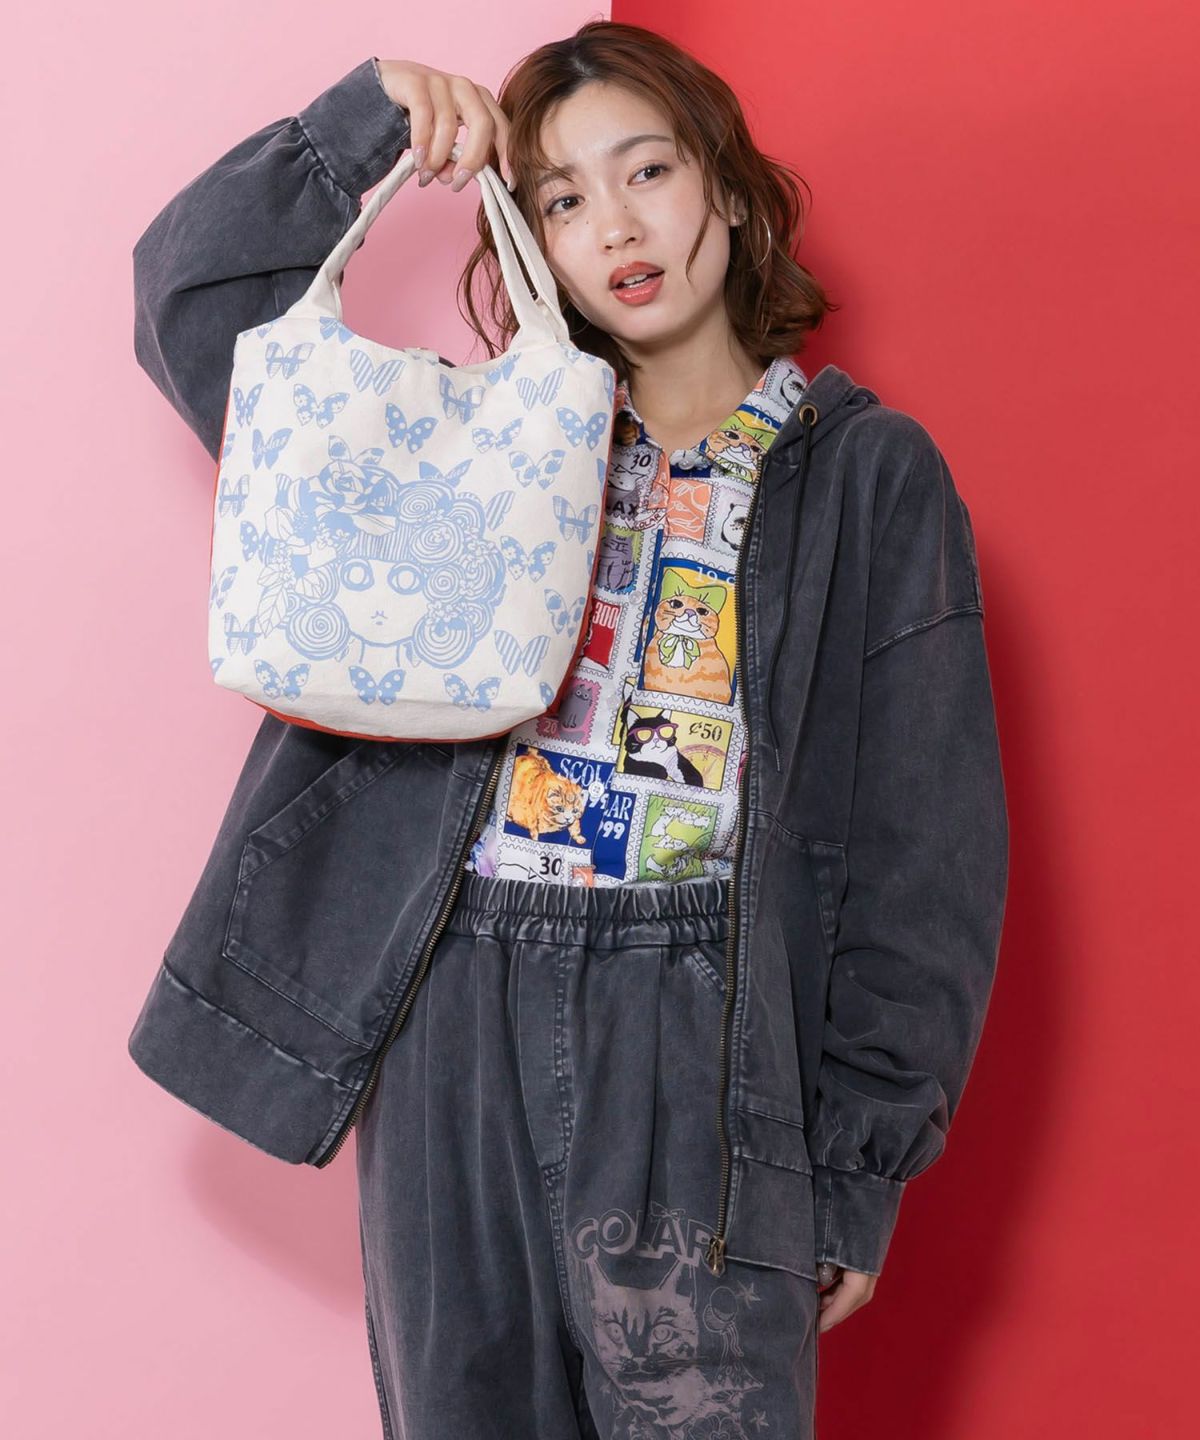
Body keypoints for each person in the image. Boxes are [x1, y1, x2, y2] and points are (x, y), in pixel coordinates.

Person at [127, 21, 1009, 1440]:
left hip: (705, 1027)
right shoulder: (476, 442)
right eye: (562, 196)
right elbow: (189, 297)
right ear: (527, 235)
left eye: (647, 170)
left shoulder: (867, 477)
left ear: (728, 188)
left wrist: (856, 1167)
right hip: (452, 1012)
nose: (617, 225)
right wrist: (364, 122)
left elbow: (927, 850)